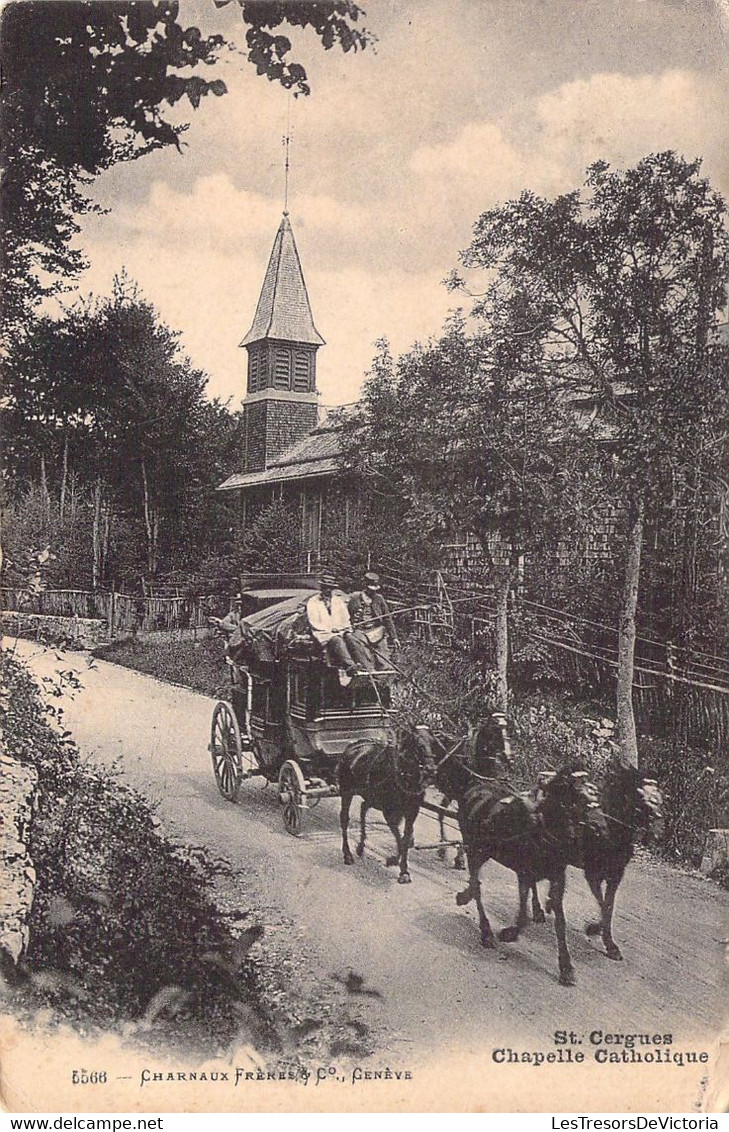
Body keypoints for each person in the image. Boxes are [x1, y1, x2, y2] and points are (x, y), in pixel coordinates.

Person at [306, 572, 372, 677]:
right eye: (325, 588)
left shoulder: (338, 601)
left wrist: (343, 629)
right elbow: (314, 621)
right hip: (323, 633)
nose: (328, 590)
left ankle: (365, 666)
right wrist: (330, 629)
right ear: (321, 588)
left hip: (339, 630)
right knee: (336, 640)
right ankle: (349, 666)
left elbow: (345, 618)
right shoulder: (313, 602)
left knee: (351, 637)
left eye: (330, 588)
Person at [349, 571, 400, 668]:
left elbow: (387, 618)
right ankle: (368, 670)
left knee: (383, 657)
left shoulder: (379, 599)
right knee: (362, 649)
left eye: (375, 590)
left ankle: (384, 674)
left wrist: (394, 637)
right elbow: (348, 614)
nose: (373, 592)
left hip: (376, 630)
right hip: (360, 630)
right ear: (366, 586)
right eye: (370, 589)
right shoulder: (355, 597)